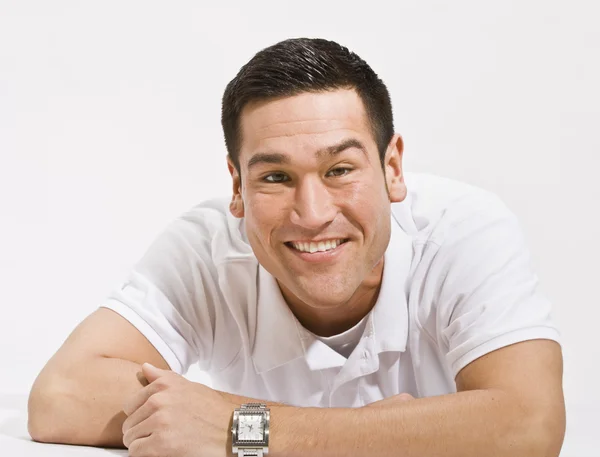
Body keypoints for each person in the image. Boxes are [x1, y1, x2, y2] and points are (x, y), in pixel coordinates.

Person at [27, 37, 565, 457]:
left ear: (393, 168)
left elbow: (529, 425)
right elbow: (60, 397)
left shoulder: (464, 231)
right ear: (237, 187)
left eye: (340, 170)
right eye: (276, 177)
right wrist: (392, 436)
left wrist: (241, 430)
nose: (312, 214)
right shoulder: (206, 250)